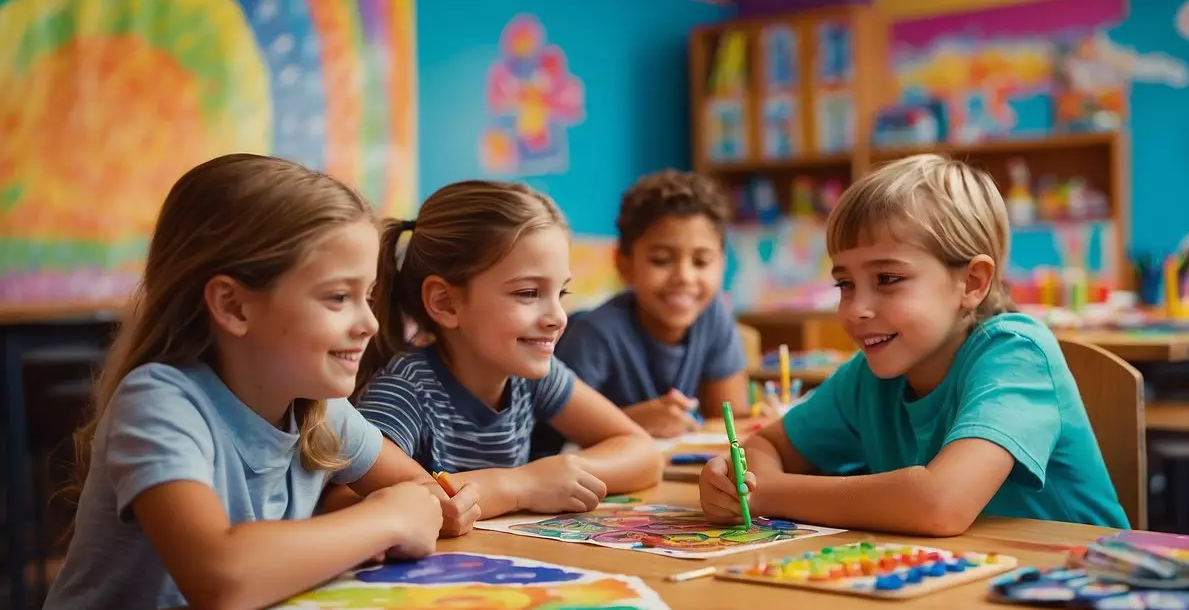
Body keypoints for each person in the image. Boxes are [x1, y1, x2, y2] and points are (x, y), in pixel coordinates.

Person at [37, 154, 478, 610]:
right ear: (235, 307)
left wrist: (394, 511)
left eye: (369, 295)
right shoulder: (161, 401)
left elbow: (434, 502)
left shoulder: (318, 407)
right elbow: (222, 576)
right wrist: (384, 520)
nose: (369, 324)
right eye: (338, 298)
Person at [699, 154, 1129, 534]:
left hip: (1085, 594)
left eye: (888, 279)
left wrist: (766, 494)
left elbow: (939, 504)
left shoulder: (1016, 353)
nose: (856, 309)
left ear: (971, 283)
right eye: (845, 283)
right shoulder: (869, 376)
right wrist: (734, 480)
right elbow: (765, 446)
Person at [354, 180, 662, 519]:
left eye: (561, 293)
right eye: (529, 293)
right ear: (446, 303)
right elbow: (347, 500)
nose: (558, 318)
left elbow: (643, 452)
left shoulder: (529, 375)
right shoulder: (405, 390)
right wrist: (521, 485)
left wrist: (565, 469)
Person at [552, 170, 749, 439]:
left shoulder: (714, 316)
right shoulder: (594, 334)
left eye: (701, 262)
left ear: (722, 264)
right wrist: (629, 423)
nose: (684, 277)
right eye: (660, 260)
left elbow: (727, 422)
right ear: (625, 264)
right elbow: (553, 437)